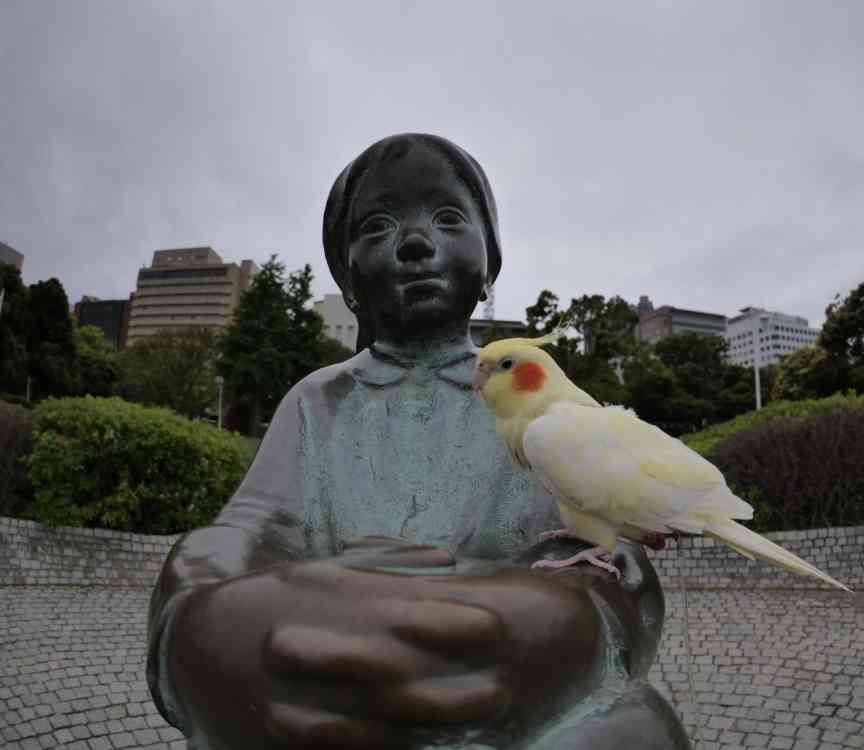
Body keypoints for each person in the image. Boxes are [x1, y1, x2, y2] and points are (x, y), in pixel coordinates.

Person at [147, 133, 689, 749]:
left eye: (448, 218)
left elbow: (606, 551)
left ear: (491, 265)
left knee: (635, 734)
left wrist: (545, 625)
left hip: (506, 672)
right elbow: (250, 530)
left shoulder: (543, 405)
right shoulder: (316, 402)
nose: (413, 242)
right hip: (319, 646)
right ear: (348, 281)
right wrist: (202, 607)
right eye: (376, 227)